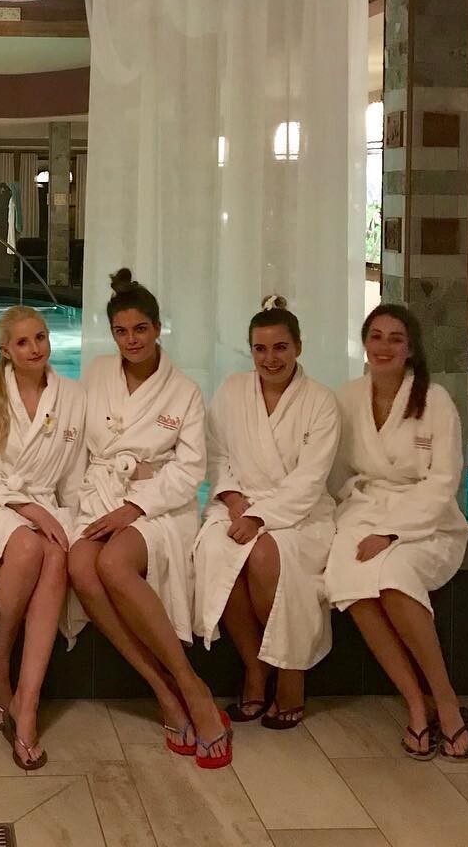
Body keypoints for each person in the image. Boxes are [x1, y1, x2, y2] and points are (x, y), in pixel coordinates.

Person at [68, 269, 231, 769]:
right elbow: (77, 443)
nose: (131, 340)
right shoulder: (97, 373)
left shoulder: (184, 390)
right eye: (121, 331)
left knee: (113, 564)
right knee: (80, 565)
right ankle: (161, 690)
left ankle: (191, 686)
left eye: (141, 329)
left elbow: (190, 470)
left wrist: (136, 505)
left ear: (159, 328)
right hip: (101, 496)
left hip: (158, 506)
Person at [326, 304, 468, 762]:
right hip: (363, 511)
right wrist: (351, 513)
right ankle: (415, 703)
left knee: (392, 579)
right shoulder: (347, 398)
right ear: (364, 343)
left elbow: (443, 481)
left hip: (426, 522)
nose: (384, 346)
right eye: (376, 336)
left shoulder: (435, 401)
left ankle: (445, 702)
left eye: (395, 338)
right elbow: (335, 472)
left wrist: (392, 532)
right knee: (349, 580)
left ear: (410, 348)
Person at [193, 296, 339, 729]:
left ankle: (290, 672)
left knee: (263, 554)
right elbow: (216, 454)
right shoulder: (232, 391)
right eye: (260, 348)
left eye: (280, 348)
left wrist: (260, 518)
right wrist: (234, 500)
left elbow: (310, 480)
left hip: (300, 514)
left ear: (298, 347)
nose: (270, 358)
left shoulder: (320, 402)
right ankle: (255, 667)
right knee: (215, 552)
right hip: (237, 503)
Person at [0, 305, 85, 769]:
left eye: (41, 338)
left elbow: (74, 477)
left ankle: (27, 704)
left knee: (58, 551)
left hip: (46, 505)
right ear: (5, 350)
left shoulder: (73, 397)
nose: (35, 349)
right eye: (23, 342)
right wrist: (29, 509)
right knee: (28, 545)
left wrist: (73, 521)